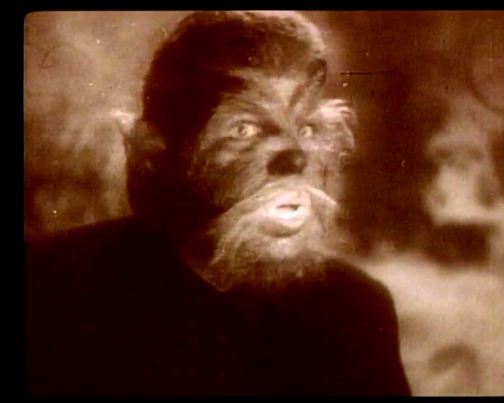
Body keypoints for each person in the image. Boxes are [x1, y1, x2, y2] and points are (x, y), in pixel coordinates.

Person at [26, 11, 411, 396]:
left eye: (307, 128)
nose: (296, 158)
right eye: (244, 129)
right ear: (156, 152)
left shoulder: (356, 310)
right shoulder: (48, 287)